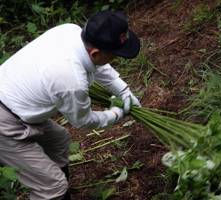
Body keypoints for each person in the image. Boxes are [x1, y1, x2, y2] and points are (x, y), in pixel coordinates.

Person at [0, 10, 141, 200]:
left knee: (59, 141)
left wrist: (124, 91)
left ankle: (59, 193)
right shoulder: (70, 80)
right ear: (96, 52)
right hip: (6, 124)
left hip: (14, 101)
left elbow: (96, 64)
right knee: (52, 187)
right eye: (114, 55)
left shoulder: (71, 32)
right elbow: (83, 121)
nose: (115, 59)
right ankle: (52, 191)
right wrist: (115, 114)